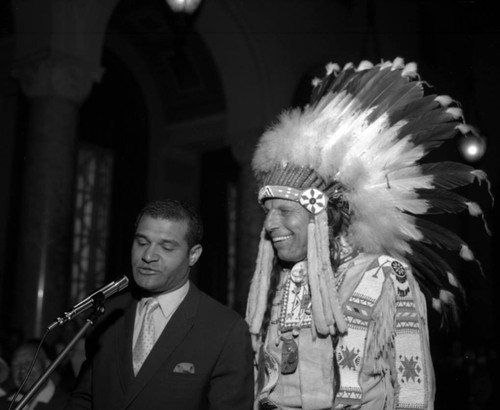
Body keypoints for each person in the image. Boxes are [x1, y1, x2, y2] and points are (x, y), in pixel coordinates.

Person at [245, 57, 491, 409]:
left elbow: (412, 391)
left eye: (284, 211)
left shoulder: (385, 278)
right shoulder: (278, 285)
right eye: (267, 213)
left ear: (321, 217)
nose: (269, 225)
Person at [65, 199, 254, 410]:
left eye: (166, 247)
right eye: (142, 242)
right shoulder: (107, 314)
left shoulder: (225, 329)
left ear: (193, 255)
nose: (147, 256)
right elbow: (84, 399)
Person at [0, 340, 68, 409]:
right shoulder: (4, 404)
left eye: (28, 363)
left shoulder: (67, 404)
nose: (22, 370)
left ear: (47, 365)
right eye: (15, 365)